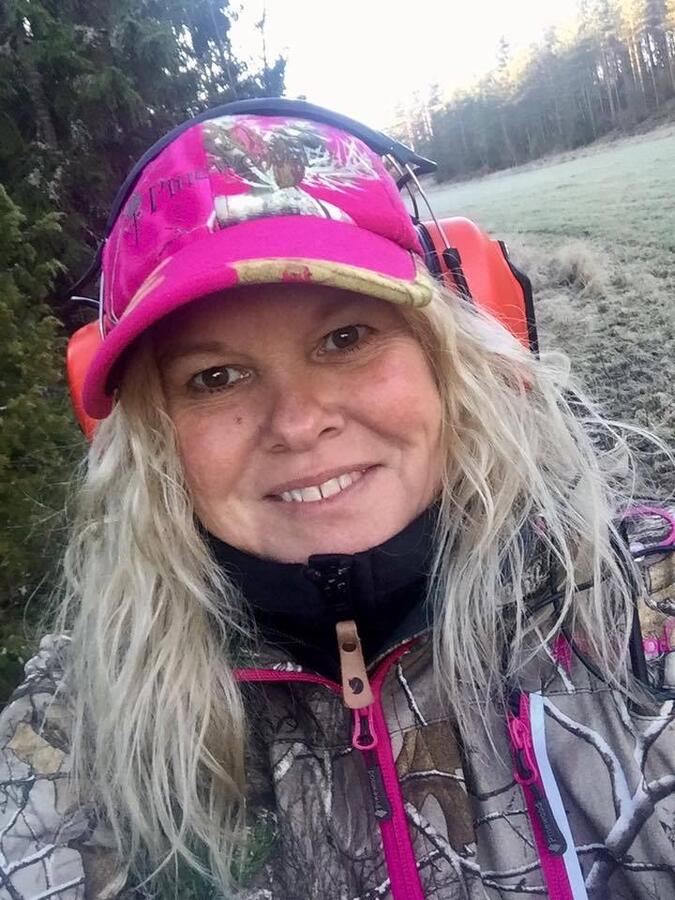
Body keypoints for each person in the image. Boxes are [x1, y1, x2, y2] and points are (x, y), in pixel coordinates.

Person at [1, 102, 674, 900]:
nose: (296, 423)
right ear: (151, 440)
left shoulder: (643, 606)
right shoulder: (70, 738)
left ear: (446, 359)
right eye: (215, 377)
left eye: (344, 338)